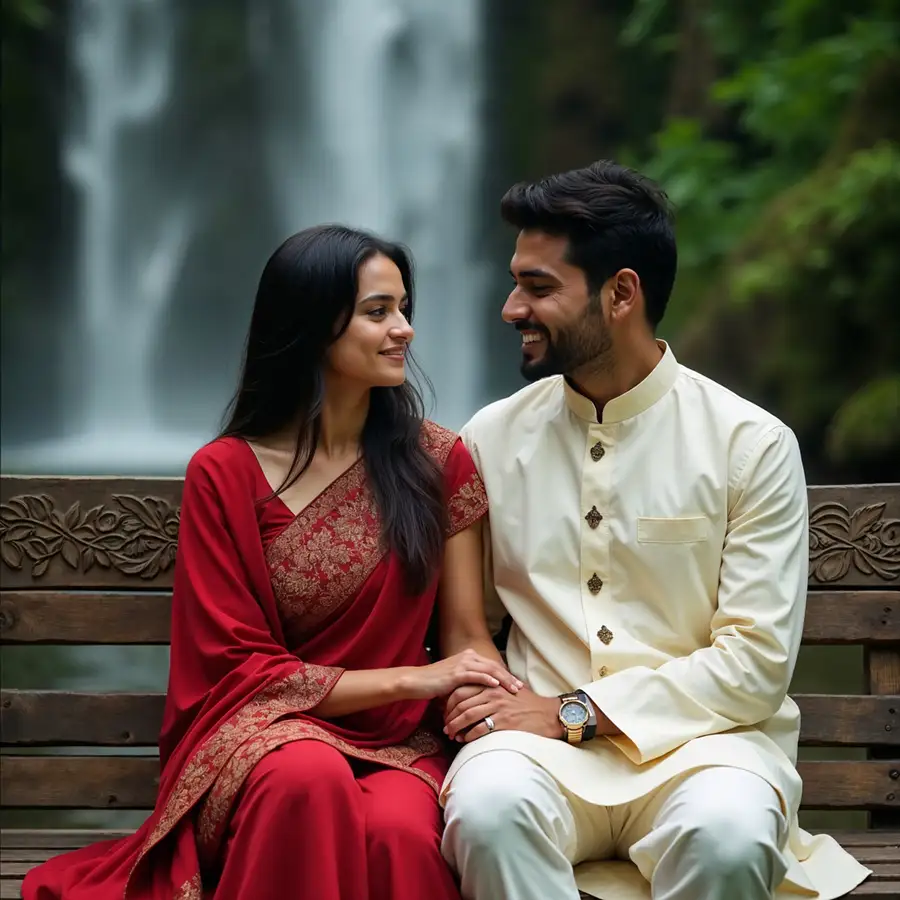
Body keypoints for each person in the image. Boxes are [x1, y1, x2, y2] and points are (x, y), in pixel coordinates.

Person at [23, 224, 520, 900]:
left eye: (405, 309)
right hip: (261, 736)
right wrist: (414, 679)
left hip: (399, 744)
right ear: (313, 327)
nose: (404, 329)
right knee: (306, 778)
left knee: (400, 833)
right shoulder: (225, 473)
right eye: (379, 312)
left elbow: (465, 637)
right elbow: (237, 669)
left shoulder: (437, 462)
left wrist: (486, 701)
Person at [437, 162, 872, 900]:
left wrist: (574, 713)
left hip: (710, 751)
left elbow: (755, 665)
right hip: (535, 753)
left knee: (727, 836)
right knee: (486, 812)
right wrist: (498, 698)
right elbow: (465, 622)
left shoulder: (748, 443)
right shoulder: (489, 439)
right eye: (516, 282)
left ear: (621, 294)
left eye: (539, 288)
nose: (512, 307)